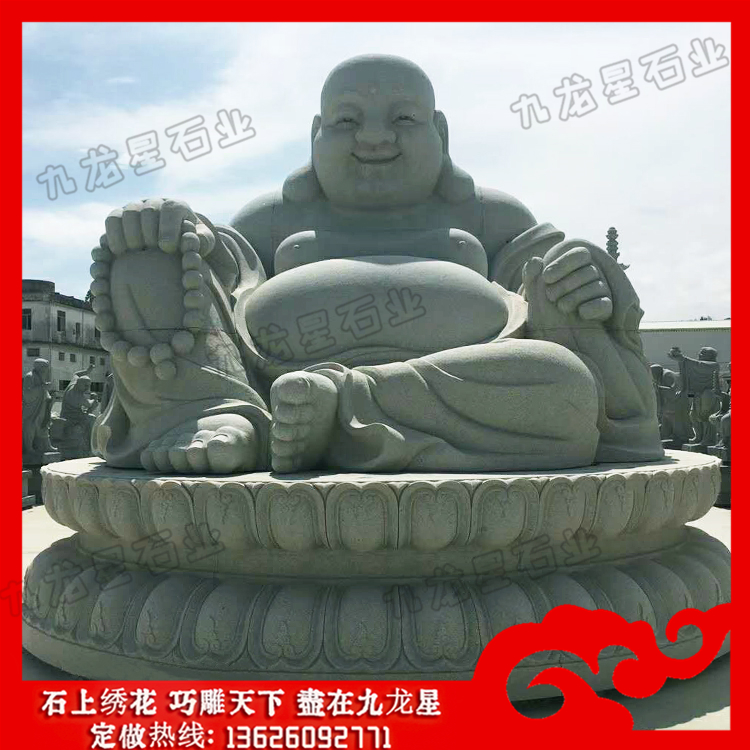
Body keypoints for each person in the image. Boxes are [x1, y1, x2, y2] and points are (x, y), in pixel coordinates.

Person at [91, 54, 663, 474]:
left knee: (565, 386)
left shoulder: (492, 215)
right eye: (346, 120)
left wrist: (576, 276)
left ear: (441, 133)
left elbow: (543, 291)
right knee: (144, 257)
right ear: (315, 135)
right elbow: (218, 276)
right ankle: (218, 412)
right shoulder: (271, 218)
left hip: (461, 381)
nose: (373, 137)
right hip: (266, 380)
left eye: (403, 119)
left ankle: (335, 408)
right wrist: (173, 231)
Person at [22, 358, 55, 456]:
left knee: (44, 425)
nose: (46, 370)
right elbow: (27, 394)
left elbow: (44, 392)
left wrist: (50, 397)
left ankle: (47, 445)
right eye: (44, 367)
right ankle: (29, 447)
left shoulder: (41, 376)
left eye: (47, 367)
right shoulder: (29, 376)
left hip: (42, 406)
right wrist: (42, 387)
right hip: (32, 408)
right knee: (30, 425)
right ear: (38, 367)